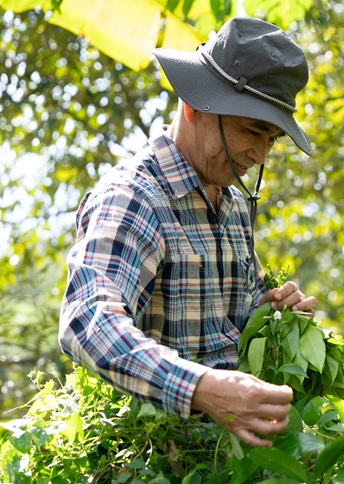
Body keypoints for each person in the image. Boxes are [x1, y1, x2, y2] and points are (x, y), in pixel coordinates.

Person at [58, 17, 317, 448]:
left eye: (271, 140)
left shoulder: (231, 207)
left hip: (232, 455)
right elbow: (87, 320)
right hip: (162, 454)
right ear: (195, 105)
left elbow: (227, 327)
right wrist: (201, 388)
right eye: (252, 131)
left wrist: (271, 316)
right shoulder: (137, 199)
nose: (259, 153)